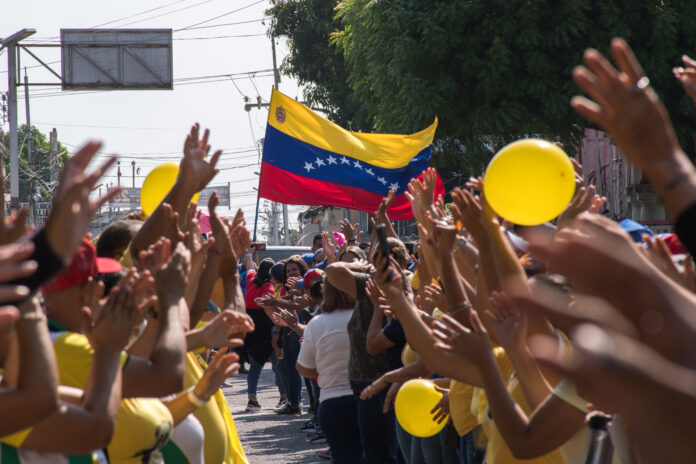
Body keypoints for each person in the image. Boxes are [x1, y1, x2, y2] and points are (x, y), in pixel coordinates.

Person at [297, 278, 362, 464]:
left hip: (333, 401)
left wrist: (323, 362)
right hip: (368, 399)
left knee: (343, 457)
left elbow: (305, 368)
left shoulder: (317, 323)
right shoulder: (368, 317)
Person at [243, 258, 277, 411]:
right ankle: (285, 396)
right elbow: (265, 304)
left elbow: (250, 268)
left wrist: (249, 255)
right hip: (265, 327)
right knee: (277, 365)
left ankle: (252, 398)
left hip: (249, 326)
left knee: (254, 367)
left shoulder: (251, 279)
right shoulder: (268, 286)